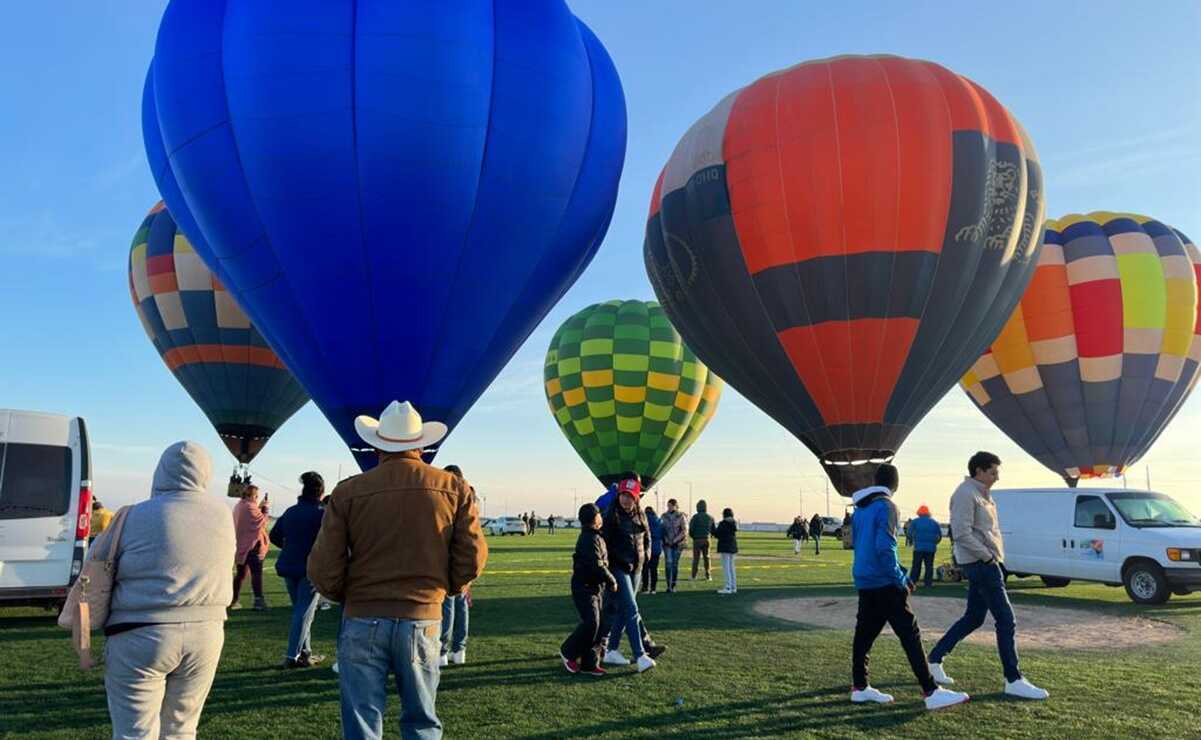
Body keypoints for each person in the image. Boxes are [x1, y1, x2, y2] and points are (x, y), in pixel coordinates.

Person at [308, 401, 488, 740]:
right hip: (422, 618)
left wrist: (345, 595)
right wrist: (444, 589)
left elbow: (324, 564)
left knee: (361, 722)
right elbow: (472, 556)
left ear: (378, 444)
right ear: (420, 443)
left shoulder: (348, 491)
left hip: (362, 617)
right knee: (422, 721)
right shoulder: (454, 488)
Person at [98, 441, 235, 738]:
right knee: (182, 728)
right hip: (206, 632)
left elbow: (96, 562)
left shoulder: (133, 515)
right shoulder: (222, 514)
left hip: (139, 630)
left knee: (134, 732)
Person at [927, 452, 1049, 701]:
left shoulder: (981, 494)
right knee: (1006, 620)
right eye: (993, 472)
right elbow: (960, 533)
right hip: (981, 564)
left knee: (973, 618)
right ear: (979, 471)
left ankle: (935, 659)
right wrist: (986, 557)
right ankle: (1013, 679)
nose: (997, 477)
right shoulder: (965, 494)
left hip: (987, 563)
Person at [848, 463, 970, 710]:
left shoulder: (860, 508)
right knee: (910, 634)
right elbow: (885, 547)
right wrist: (900, 579)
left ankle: (860, 687)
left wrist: (902, 573)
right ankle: (930, 690)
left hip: (865, 578)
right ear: (895, 484)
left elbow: (865, 545)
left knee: (864, 634)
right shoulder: (887, 505)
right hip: (884, 580)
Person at [269, 471, 326, 668]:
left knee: (301, 612)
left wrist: (290, 547)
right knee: (304, 613)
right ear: (321, 492)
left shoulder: (291, 512)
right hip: (310, 569)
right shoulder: (321, 515)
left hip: (288, 565)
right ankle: (292, 655)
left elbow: (275, 535)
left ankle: (305, 654)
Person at [600, 478, 656, 672]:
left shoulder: (640, 515)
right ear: (619, 495)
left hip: (637, 567)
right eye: (623, 495)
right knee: (631, 608)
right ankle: (641, 656)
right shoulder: (611, 516)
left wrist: (647, 551)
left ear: (636, 498)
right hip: (619, 567)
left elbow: (647, 536)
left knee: (625, 611)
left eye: (630, 497)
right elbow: (603, 544)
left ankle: (612, 650)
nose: (626, 500)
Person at [560, 502, 617, 676]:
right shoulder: (588, 539)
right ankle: (568, 651)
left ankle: (589, 663)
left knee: (597, 625)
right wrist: (612, 580)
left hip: (594, 587)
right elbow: (597, 565)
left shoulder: (595, 536)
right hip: (584, 588)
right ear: (594, 518)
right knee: (592, 623)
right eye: (599, 514)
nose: (601, 517)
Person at [439, 464, 473, 668]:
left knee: (448, 605)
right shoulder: (469, 498)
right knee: (461, 604)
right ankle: (459, 649)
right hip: (466, 559)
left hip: (449, 559)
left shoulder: (448, 500)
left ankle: (442, 651)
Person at [231, 484, 270, 610]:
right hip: (252, 546)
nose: (257, 498)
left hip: (241, 545)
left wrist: (259, 507)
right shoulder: (249, 507)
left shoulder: (239, 505)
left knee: (241, 574)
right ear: (251, 495)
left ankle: (233, 600)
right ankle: (258, 602)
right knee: (256, 574)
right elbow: (262, 522)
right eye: (256, 496)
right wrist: (265, 509)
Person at [909, 505, 943, 588]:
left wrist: (913, 540)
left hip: (918, 548)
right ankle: (928, 583)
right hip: (931, 549)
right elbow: (939, 536)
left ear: (919, 513)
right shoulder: (934, 522)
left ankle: (913, 582)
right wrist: (934, 543)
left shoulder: (915, 522)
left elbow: (909, 533)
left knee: (916, 565)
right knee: (929, 566)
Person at [658, 498, 687, 592]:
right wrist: (666, 539)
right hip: (667, 544)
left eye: (671, 506)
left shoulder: (681, 516)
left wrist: (675, 540)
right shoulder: (664, 516)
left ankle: (673, 584)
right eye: (668, 506)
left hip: (678, 544)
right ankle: (668, 585)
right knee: (668, 563)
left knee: (674, 564)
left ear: (675, 506)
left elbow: (684, 530)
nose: (669, 508)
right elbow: (661, 529)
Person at [714, 507, 739, 594]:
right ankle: (733, 587)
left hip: (725, 547)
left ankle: (728, 587)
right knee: (732, 567)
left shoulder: (723, 523)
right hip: (733, 547)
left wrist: (712, 528)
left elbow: (717, 534)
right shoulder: (734, 523)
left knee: (726, 568)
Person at [689, 499, 714, 580]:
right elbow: (713, 530)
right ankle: (708, 575)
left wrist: (693, 536)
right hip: (707, 539)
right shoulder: (710, 517)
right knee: (707, 558)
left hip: (697, 539)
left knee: (696, 558)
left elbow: (691, 529)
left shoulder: (695, 517)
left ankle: (694, 575)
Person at [641, 505, 663, 594]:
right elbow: (662, 534)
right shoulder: (659, 521)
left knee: (645, 569)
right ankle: (653, 588)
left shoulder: (644, 520)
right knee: (654, 569)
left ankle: (645, 587)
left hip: (645, 548)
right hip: (656, 548)